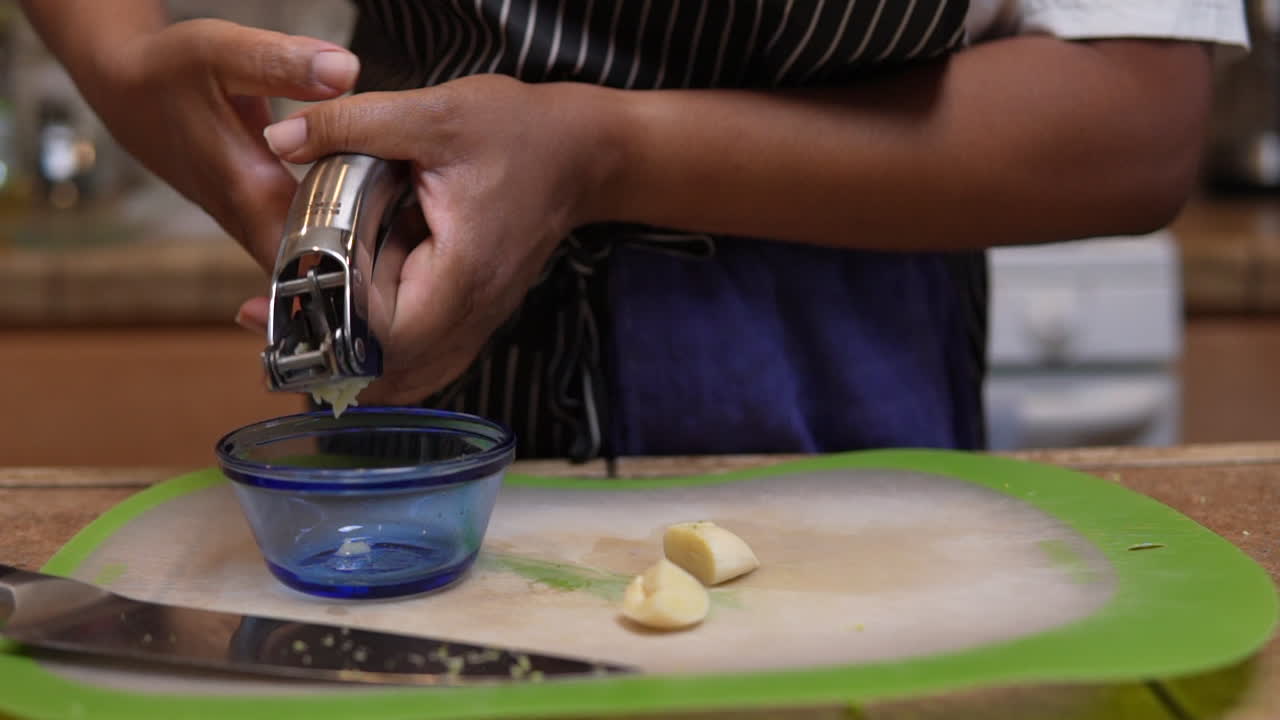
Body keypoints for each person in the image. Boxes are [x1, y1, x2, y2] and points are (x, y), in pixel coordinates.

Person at [21, 1, 1248, 460]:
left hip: (840, 395)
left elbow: (1134, 122)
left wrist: (606, 154)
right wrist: (118, 51)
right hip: (428, 390)